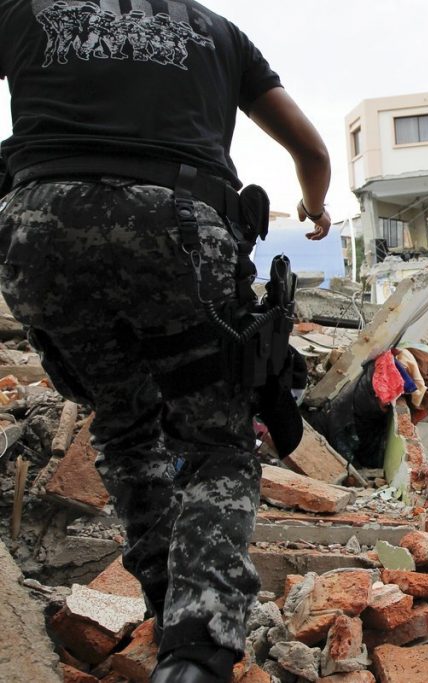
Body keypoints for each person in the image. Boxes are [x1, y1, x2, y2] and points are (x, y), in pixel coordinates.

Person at [0, 2, 332, 682]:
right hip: (179, 230)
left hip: (40, 231)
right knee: (216, 444)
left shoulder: (22, 11)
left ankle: (162, 602)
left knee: (125, 427)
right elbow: (312, 150)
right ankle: (195, 651)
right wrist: (316, 203)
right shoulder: (217, 32)